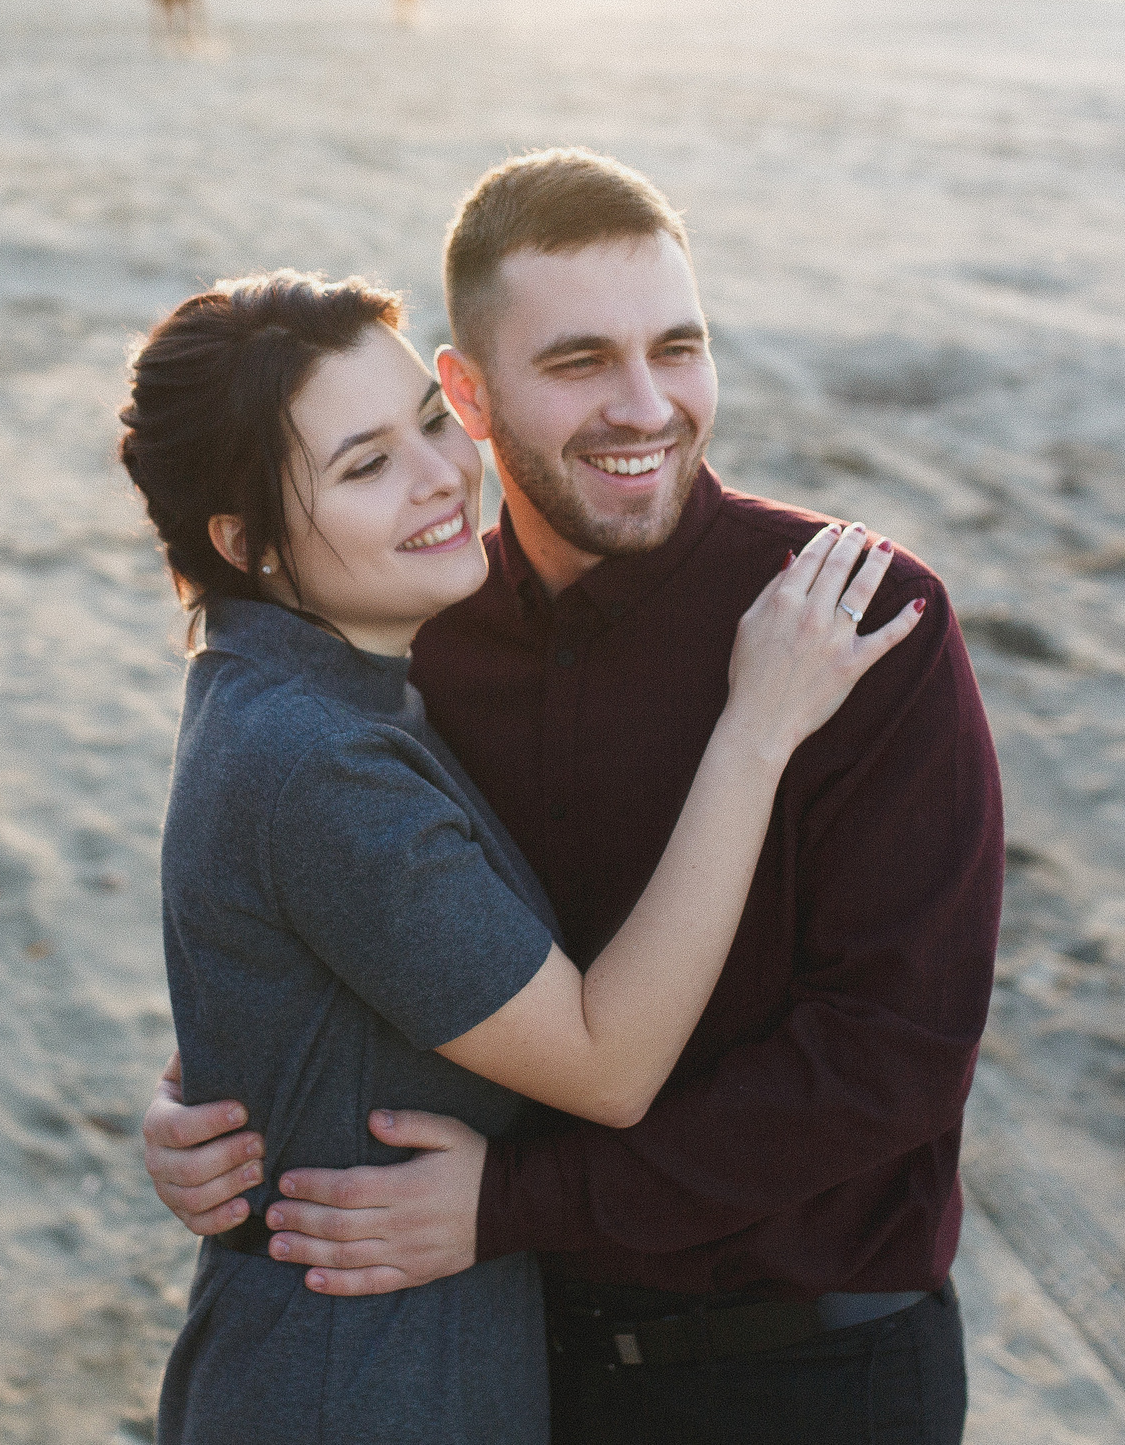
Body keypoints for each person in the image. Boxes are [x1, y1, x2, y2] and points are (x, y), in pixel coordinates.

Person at [140, 152, 1005, 1443]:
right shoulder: (424, 630)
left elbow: (892, 1062)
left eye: (679, 346)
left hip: (804, 1378)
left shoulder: (851, 619)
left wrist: (516, 1204)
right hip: (523, 1363)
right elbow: (350, 924)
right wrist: (216, 1098)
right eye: (580, 362)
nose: (645, 404)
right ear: (471, 391)